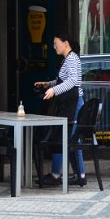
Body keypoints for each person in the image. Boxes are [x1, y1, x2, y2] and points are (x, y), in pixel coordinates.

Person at [33, 31, 86, 186]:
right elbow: (63, 80)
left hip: (74, 103)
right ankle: (75, 174)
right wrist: (48, 84)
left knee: (66, 138)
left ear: (65, 43)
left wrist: (54, 90)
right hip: (71, 102)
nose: (54, 46)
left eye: (56, 43)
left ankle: (63, 174)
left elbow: (73, 81)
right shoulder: (68, 59)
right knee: (69, 138)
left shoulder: (71, 59)